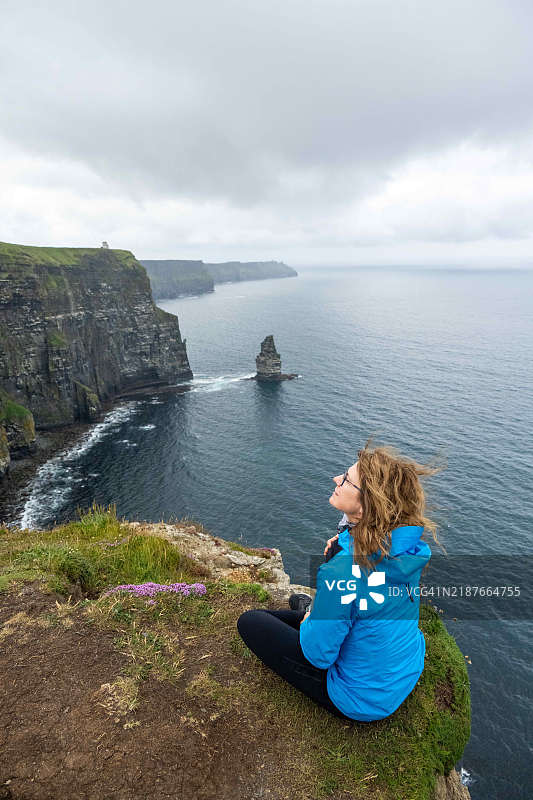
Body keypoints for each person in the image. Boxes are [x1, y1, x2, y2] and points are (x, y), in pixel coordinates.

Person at [236, 441, 442, 722]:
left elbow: (318, 656)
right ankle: (312, 613)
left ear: (368, 503)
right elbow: (369, 588)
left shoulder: (344, 570)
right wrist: (345, 544)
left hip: (362, 698)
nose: (336, 479)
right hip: (402, 668)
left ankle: (310, 613)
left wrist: (330, 583)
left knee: (252, 622)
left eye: (346, 480)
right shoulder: (409, 548)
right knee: (309, 609)